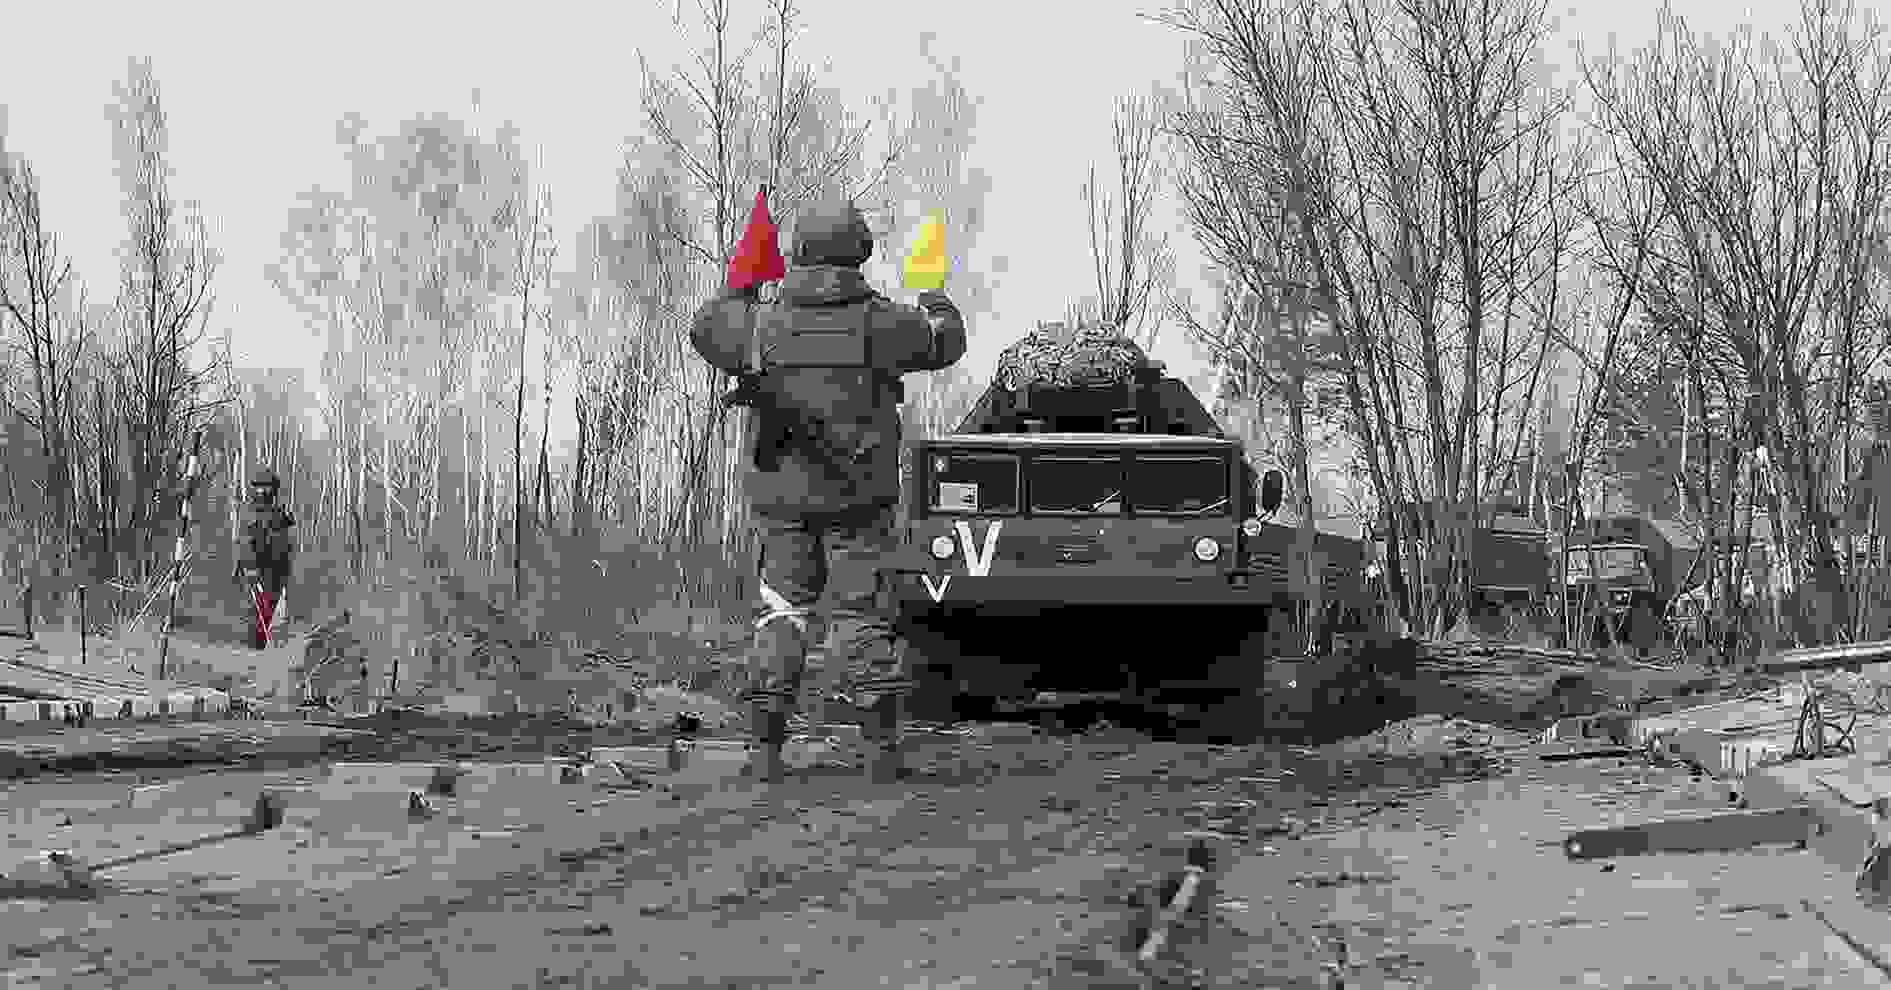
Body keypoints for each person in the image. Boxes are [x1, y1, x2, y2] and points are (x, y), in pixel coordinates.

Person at [691, 196, 967, 785]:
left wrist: (744, 279)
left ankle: (765, 751)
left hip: (781, 501)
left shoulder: (760, 322)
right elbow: (947, 341)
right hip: (860, 500)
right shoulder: (885, 322)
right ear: (859, 252)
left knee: (782, 612)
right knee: (863, 616)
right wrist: (932, 291)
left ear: (799, 252)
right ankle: (882, 752)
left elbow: (706, 329)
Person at [233, 468, 296, 650]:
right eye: (261, 487)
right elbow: (245, 540)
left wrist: (285, 522)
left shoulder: (277, 512)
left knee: (270, 608)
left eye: (268, 487)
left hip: (276, 570)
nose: (264, 491)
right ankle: (254, 644)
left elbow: (284, 538)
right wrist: (249, 566)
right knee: (258, 608)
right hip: (257, 568)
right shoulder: (251, 511)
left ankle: (261, 643)